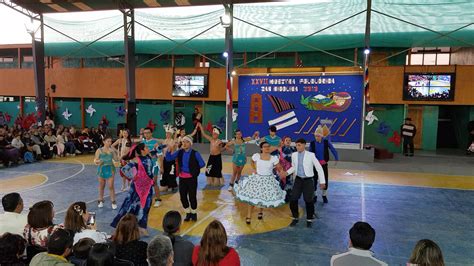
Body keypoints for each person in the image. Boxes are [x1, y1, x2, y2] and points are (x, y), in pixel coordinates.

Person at [111, 143, 163, 236]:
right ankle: (117, 226)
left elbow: (158, 149)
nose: (148, 148)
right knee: (128, 206)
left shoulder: (149, 155)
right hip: (136, 188)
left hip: (147, 188)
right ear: (142, 150)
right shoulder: (136, 160)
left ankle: (142, 227)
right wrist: (133, 176)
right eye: (146, 147)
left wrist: (166, 145)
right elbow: (124, 170)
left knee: (146, 207)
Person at [234, 142, 287, 224]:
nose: (267, 148)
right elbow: (252, 162)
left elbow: (279, 167)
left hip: (268, 180)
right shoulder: (256, 156)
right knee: (251, 198)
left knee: (263, 197)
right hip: (257, 179)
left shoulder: (274, 158)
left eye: (268, 146)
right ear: (261, 148)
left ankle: (260, 212)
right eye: (265, 147)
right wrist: (254, 169)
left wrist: (282, 171)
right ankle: (249, 216)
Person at [285, 138, 326, 228]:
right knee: (293, 199)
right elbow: (294, 167)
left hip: (308, 180)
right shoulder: (294, 155)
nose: (297, 147)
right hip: (298, 180)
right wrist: (286, 173)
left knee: (308, 200)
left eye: (299, 145)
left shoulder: (311, 155)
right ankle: (295, 217)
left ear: (304, 145)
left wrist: (322, 181)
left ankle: (309, 219)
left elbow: (319, 168)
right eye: (296, 145)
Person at [165, 135, 205, 222]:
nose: (184, 143)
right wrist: (169, 149)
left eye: (186, 142)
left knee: (192, 196)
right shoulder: (180, 152)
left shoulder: (195, 153)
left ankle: (193, 213)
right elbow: (168, 159)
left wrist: (193, 170)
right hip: (182, 178)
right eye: (183, 142)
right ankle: (187, 212)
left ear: (190, 143)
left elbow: (202, 164)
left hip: (191, 178)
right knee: (183, 197)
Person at [309, 125, 339, 204]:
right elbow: (309, 155)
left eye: (318, 136)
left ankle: (324, 195)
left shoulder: (326, 142)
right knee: (314, 180)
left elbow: (332, 149)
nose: (317, 137)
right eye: (315, 136)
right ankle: (314, 195)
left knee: (325, 180)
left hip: (324, 165)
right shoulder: (312, 143)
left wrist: (336, 158)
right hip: (315, 165)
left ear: (321, 136)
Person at [94, 136, 119, 209]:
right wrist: (98, 161)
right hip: (101, 169)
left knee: (111, 185)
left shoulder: (112, 150)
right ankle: (100, 200)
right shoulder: (99, 150)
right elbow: (95, 160)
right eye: (108, 141)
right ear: (104, 142)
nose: (109, 143)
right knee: (102, 185)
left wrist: (117, 152)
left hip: (110, 168)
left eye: (110, 141)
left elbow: (116, 160)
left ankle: (113, 201)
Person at [141, 127, 163, 207]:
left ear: (151, 133)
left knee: (154, 182)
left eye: (148, 133)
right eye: (145, 133)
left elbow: (160, 155)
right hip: (145, 165)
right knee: (145, 182)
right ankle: (147, 199)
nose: (146, 134)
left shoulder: (155, 143)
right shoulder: (142, 142)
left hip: (154, 165)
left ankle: (158, 199)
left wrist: (162, 166)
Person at [160, 124, 178, 193]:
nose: (167, 134)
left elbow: (171, 148)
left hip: (171, 160)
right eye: (166, 133)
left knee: (171, 173)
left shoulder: (172, 141)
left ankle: (171, 185)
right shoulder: (164, 141)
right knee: (164, 172)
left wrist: (176, 133)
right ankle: (165, 184)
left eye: (168, 133)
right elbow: (161, 151)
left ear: (171, 134)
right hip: (164, 159)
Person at [279, 136, 297, 201]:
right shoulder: (281, 149)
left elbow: (294, 159)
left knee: (289, 182)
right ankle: (281, 196)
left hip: (290, 169)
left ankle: (288, 196)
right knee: (281, 182)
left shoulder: (294, 149)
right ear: (284, 141)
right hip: (282, 168)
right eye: (287, 140)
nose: (288, 141)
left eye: (289, 140)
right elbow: (288, 158)